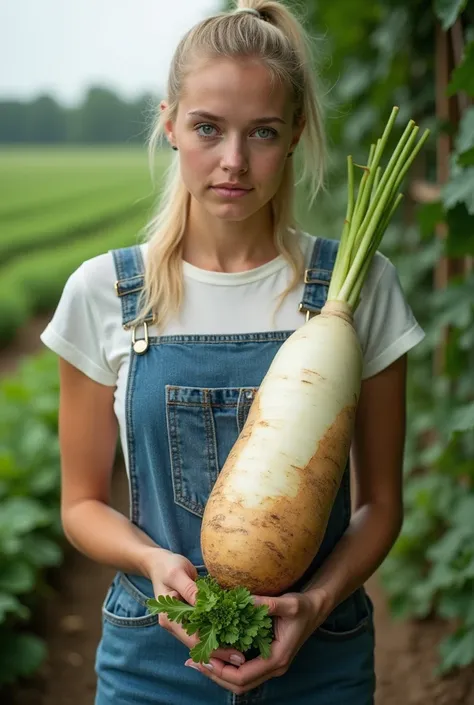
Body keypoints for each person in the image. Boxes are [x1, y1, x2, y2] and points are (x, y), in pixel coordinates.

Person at [40, 1, 425, 703]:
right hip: (151, 660)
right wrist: (154, 560)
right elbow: (80, 503)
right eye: (208, 129)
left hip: (321, 657)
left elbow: (382, 505)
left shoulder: (356, 289)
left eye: (264, 133)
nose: (234, 162)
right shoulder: (105, 292)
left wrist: (314, 604)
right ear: (170, 122)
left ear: (296, 135)